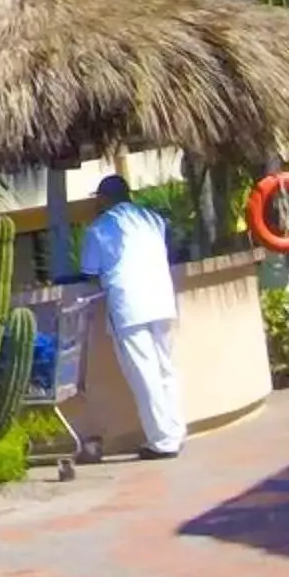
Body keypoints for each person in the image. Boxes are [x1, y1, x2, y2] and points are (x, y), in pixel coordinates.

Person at [76, 175, 184, 458]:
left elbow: (89, 272)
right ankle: (174, 431)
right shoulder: (153, 219)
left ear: (104, 198)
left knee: (144, 373)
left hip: (129, 305)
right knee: (165, 368)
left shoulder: (99, 228)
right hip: (161, 299)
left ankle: (162, 441)